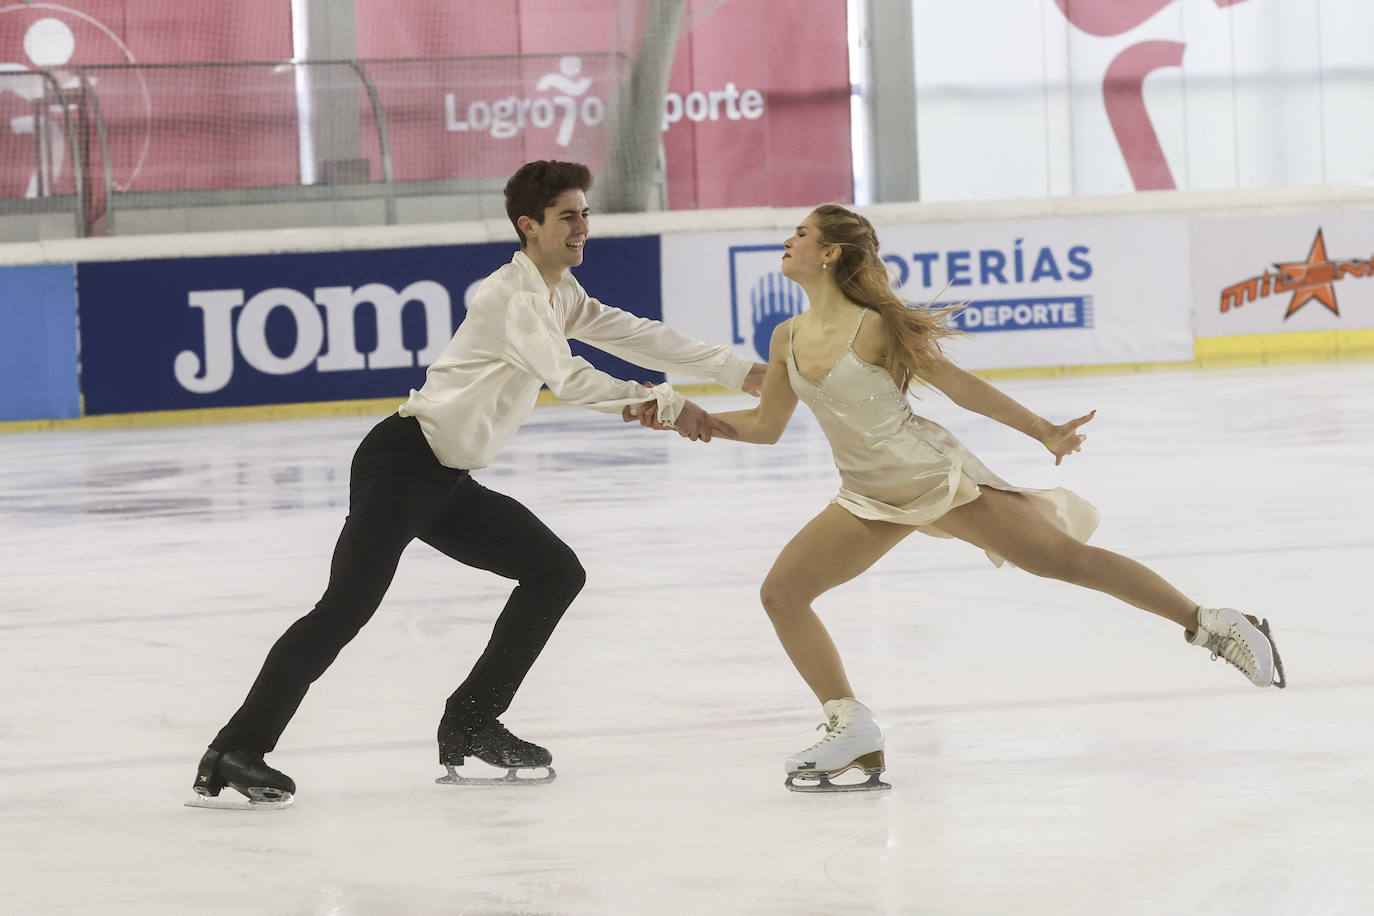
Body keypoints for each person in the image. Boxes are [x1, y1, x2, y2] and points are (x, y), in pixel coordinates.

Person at [631, 203, 1285, 793]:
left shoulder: (878, 326)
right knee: (782, 593)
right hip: (868, 496)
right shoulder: (785, 336)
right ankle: (851, 727)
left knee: (1062, 560)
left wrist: (1043, 429)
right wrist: (691, 416)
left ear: (829, 252)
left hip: (936, 481)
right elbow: (766, 428)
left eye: (800, 233)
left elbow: (960, 386)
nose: (788, 240)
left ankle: (1218, 624)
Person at [190, 160, 764, 808]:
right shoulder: (510, 297)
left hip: (445, 480)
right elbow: (571, 379)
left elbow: (639, 335)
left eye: (584, 214)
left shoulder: (560, 295)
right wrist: (666, 405)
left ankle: (471, 719)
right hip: (401, 466)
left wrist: (742, 372)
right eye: (568, 216)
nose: (582, 227)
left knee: (554, 572)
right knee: (342, 612)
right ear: (530, 226)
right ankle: (236, 749)